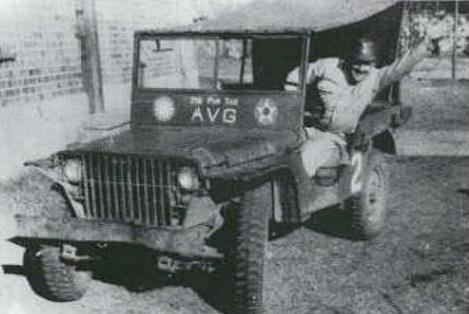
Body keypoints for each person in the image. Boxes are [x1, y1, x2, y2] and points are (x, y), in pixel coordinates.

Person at [285, 27, 451, 177]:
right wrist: (293, 104)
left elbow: (401, 68)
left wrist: (423, 47)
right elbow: (296, 76)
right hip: (307, 128)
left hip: (334, 138)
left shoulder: (374, 79)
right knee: (274, 149)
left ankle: (294, 206)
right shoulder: (328, 66)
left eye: (368, 64)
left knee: (307, 155)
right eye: (358, 62)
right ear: (348, 60)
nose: (362, 69)